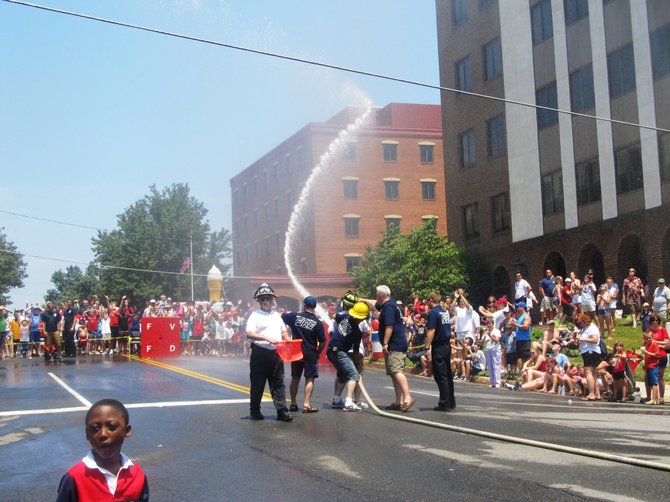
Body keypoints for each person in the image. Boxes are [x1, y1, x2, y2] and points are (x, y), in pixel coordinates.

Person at [56, 398, 149, 501]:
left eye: (111, 427)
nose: (103, 434)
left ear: (127, 431)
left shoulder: (137, 475)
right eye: (95, 428)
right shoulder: (74, 478)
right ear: (87, 434)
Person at [245, 283, 293, 422]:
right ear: (258, 301)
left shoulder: (277, 316)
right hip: (260, 353)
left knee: (278, 383)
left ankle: (282, 411)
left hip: (276, 354)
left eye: (268, 298)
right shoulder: (255, 315)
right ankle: (255, 410)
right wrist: (266, 338)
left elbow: (283, 332)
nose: (265, 300)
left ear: (272, 299)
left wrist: (288, 339)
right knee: (257, 384)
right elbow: (249, 333)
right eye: (262, 298)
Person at [367, 285, 414, 412]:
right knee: (393, 373)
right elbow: (374, 304)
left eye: (376, 295)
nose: (375, 297)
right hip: (396, 343)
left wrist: (385, 343)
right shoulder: (391, 305)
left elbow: (389, 326)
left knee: (397, 371)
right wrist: (362, 300)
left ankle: (407, 397)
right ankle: (398, 401)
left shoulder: (388, 307)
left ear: (381, 296)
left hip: (395, 343)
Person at [282, 296, 326, 413]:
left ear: (304, 305)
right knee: (310, 378)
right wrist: (318, 352)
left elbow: (282, 316)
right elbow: (322, 342)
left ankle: (292, 403)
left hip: (296, 352)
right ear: (315, 307)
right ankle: (306, 404)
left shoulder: (294, 317)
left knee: (295, 378)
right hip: (310, 353)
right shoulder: (318, 323)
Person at [326, 301, 370, 412]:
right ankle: (349, 402)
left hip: (331, 350)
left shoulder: (344, 316)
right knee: (354, 375)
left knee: (343, 375)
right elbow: (355, 353)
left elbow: (334, 315)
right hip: (340, 352)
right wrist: (359, 358)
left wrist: (332, 315)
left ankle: (336, 400)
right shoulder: (357, 332)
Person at [425, 291, 456, 411]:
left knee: (440, 375)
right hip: (446, 345)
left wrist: (427, 346)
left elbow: (431, 330)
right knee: (447, 374)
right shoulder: (444, 312)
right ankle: (451, 401)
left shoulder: (433, 313)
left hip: (438, 346)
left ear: (431, 300)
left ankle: (444, 402)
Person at [574, 313, 602, 401]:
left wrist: (582, 339)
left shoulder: (591, 328)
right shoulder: (584, 329)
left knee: (588, 372)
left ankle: (591, 393)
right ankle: (597, 393)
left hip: (590, 351)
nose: (580, 325)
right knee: (593, 373)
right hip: (587, 351)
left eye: (581, 323)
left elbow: (595, 339)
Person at [647, 314, 668, 405]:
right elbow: (645, 340)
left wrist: (655, 342)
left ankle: (661, 397)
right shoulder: (649, 330)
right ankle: (651, 396)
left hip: (661, 355)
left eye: (656, 320)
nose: (655, 322)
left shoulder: (662, 330)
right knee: (650, 376)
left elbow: (667, 342)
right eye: (653, 320)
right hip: (651, 356)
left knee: (660, 377)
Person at [641, 330, 662, 405]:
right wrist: (645, 364)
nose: (648, 340)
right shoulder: (646, 345)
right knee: (651, 383)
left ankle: (654, 398)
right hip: (648, 366)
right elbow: (646, 356)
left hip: (654, 366)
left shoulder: (654, 344)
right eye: (646, 338)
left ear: (652, 337)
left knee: (654, 383)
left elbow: (657, 355)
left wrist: (647, 352)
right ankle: (654, 399)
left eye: (650, 338)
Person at [510, 302, 532, 372]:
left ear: (522, 307)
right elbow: (518, 326)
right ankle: (521, 371)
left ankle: (527, 371)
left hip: (525, 340)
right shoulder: (520, 317)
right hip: (519, 340)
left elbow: (526, 326)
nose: (517, 308)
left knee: (526, 357)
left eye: (518, 307)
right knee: (518, 357)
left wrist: (516, 325)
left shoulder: (526, 316)